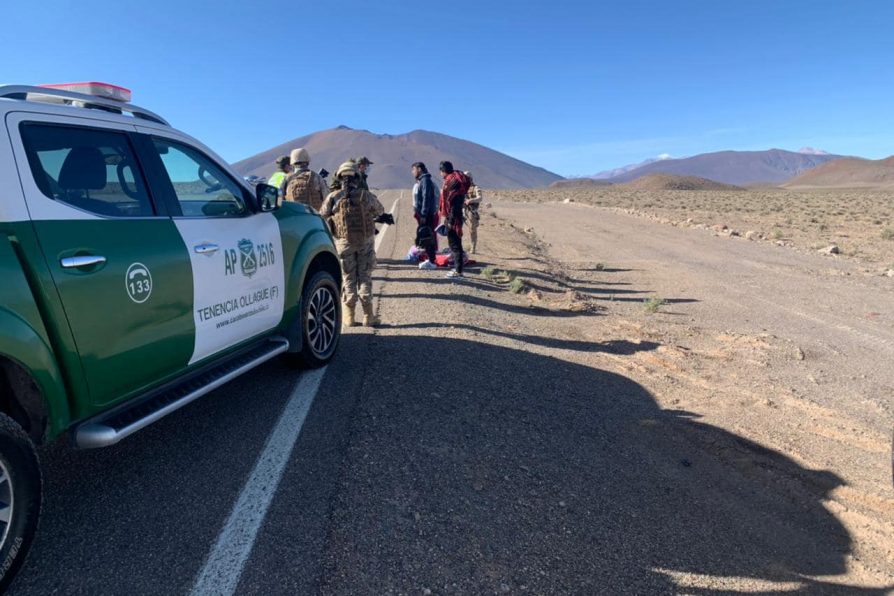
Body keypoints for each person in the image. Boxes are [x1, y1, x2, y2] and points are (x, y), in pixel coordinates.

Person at [320, 161, 385, 327]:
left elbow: (322, 215)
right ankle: (368, 317)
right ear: (357, 177)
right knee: (365, 277)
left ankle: (349, 318)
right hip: (365, 242)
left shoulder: (333, 197)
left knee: (348, 278)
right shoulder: (365, 195)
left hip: (343, 243)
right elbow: (380, 210)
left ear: (340, 177)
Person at [438, 161, 472, 278]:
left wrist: (451, 221)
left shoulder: (452, 182)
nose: (440, 174)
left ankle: (458, 271)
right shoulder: (455, 179)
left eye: (441, 172)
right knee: (455, 244)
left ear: (443, 171)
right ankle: (458, 269)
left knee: (455, 245)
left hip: (454, 218)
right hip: (455, 216)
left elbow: (453, 204)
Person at [412, 162, 439, 269]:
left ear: (419, 169)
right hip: (426, 214)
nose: (412, 172)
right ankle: (431, 260)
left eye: (413, 169)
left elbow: (426, 198)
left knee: (428, 236)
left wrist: (423, 214)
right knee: (426, 237)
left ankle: (432, 262)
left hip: (426, 215)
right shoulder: (423, 180)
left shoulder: (425, 181)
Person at [463, 171, 483, 254]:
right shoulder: (462, 188)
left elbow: (480, 198)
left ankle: (473, 247)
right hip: (463, 210)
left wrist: (470, 200)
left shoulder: (475, 188)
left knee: (472, 230)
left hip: (471, 211)